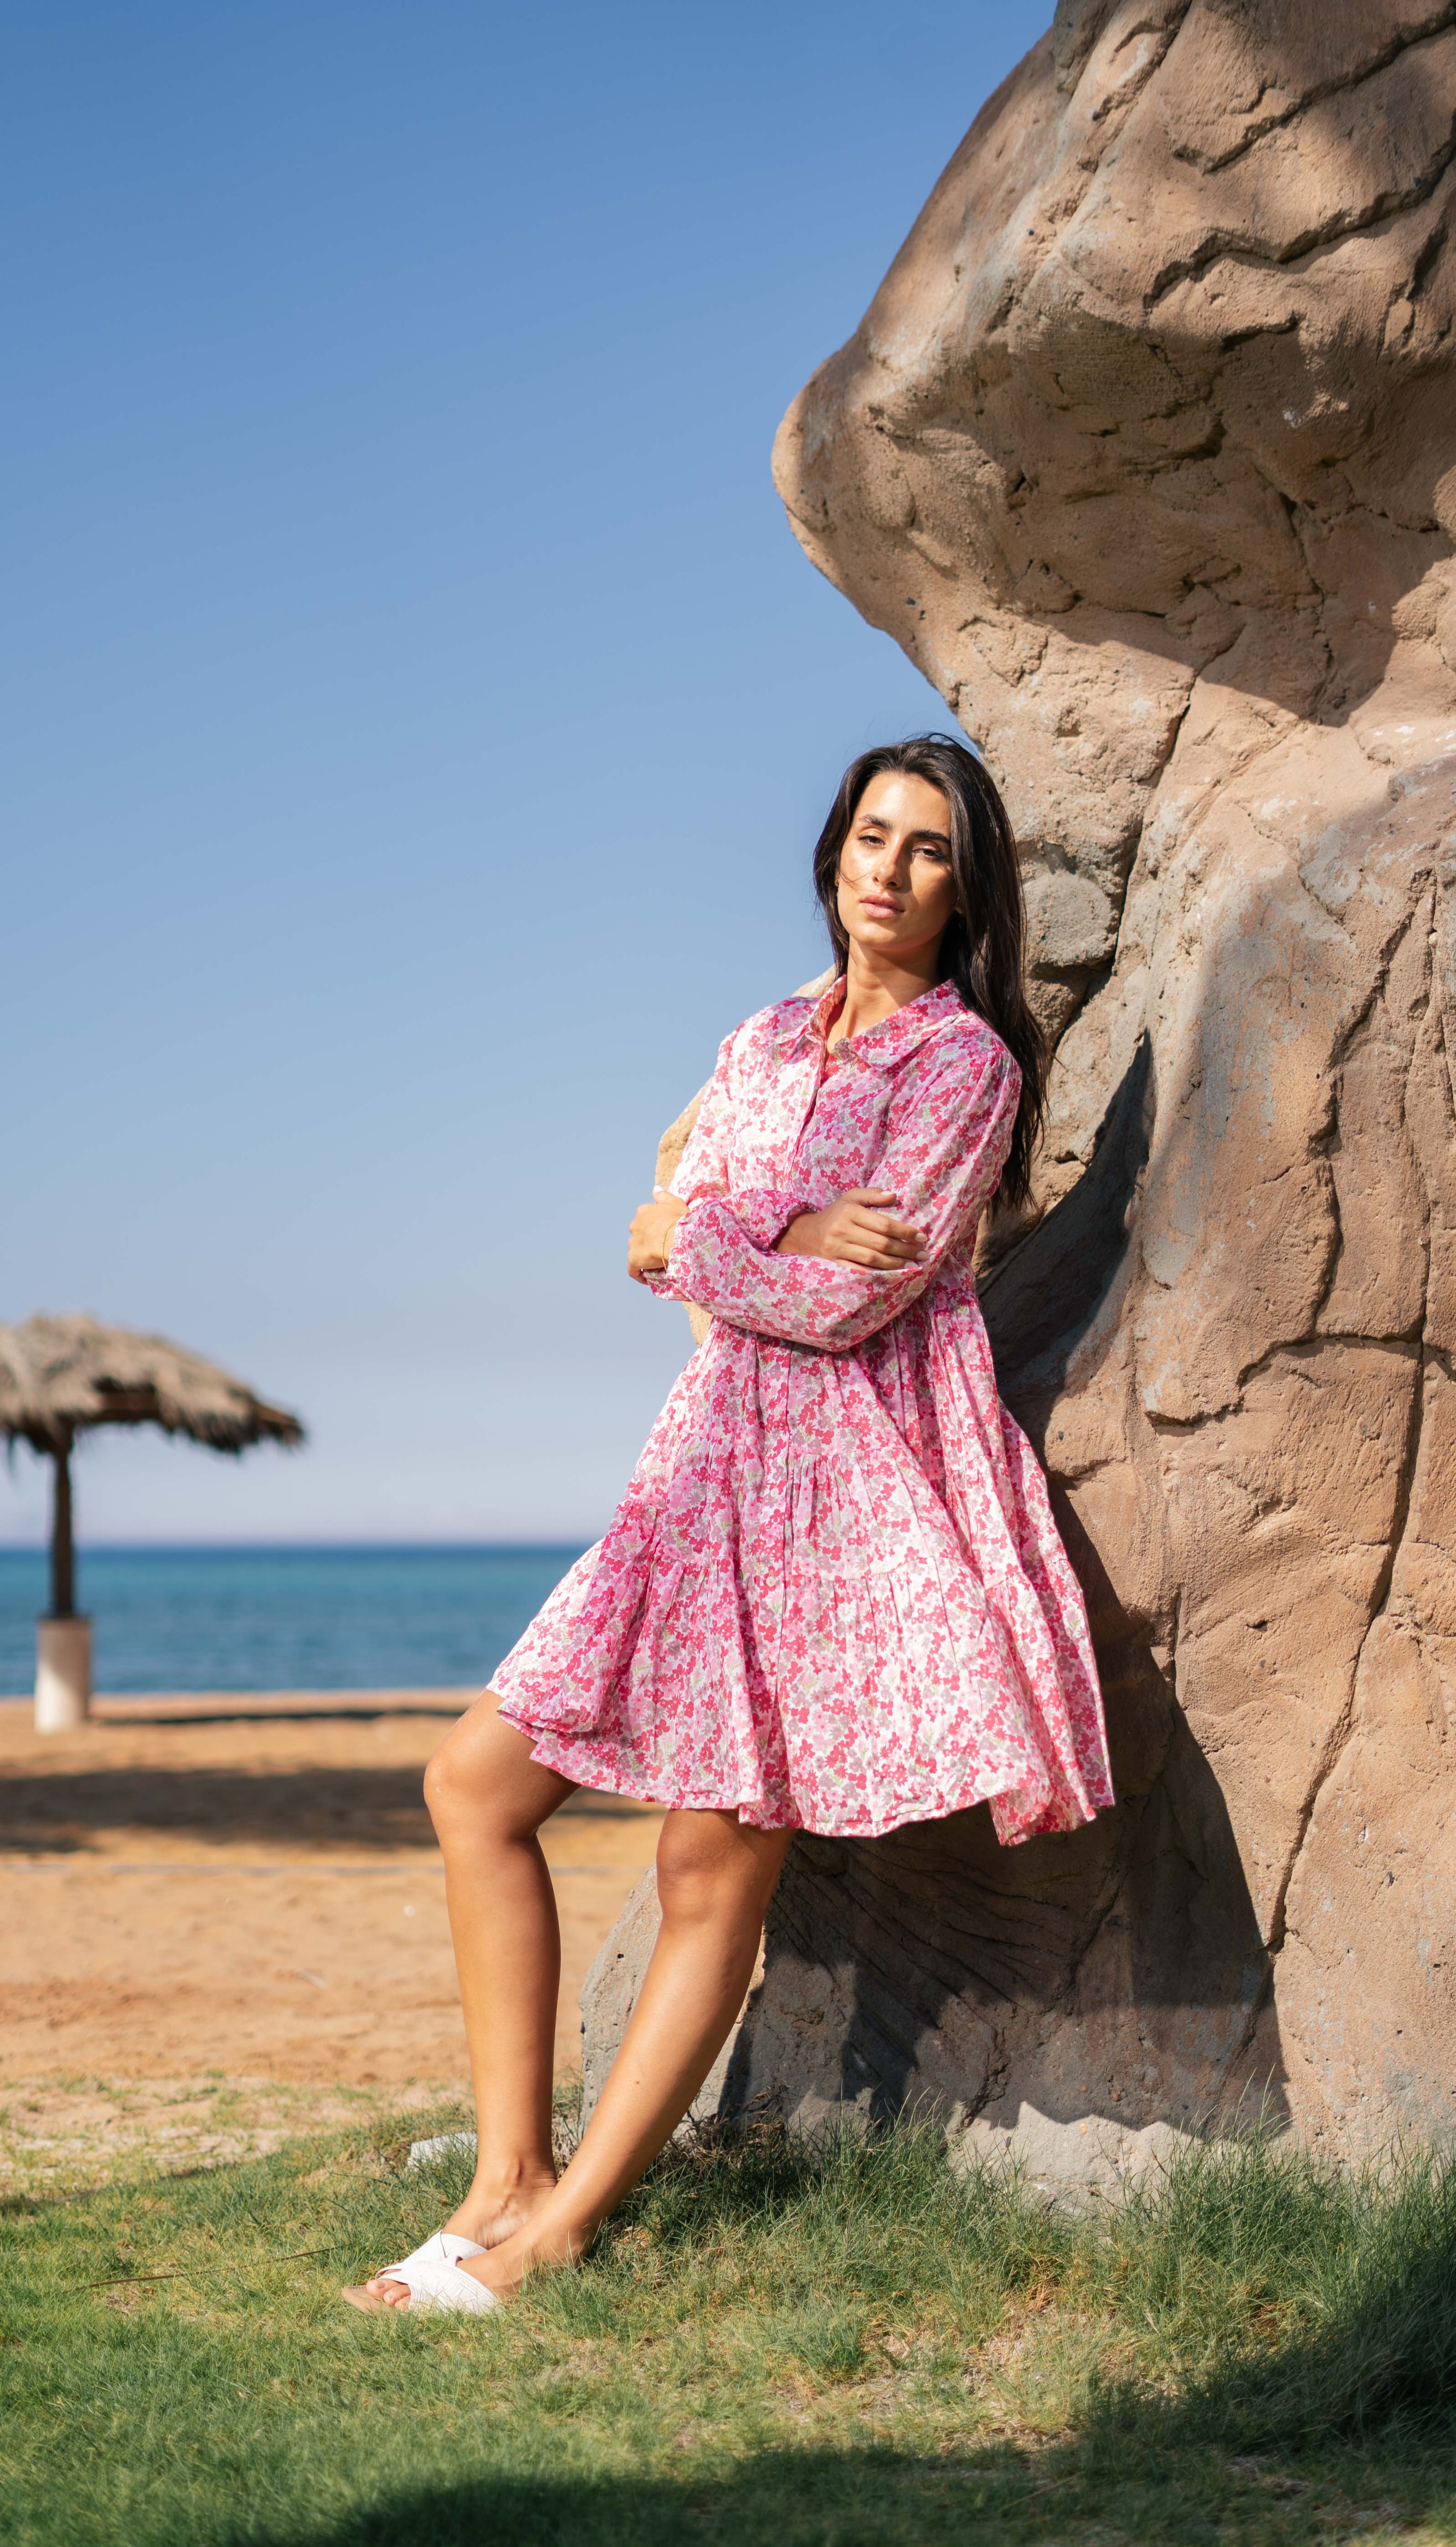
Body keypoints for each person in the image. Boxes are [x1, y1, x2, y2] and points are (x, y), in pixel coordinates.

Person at [345, 735, 1113, 2315]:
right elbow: (665, 1242)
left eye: (928, 850)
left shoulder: (966, 1068)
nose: (888, 871)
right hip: (699, 1473)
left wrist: (706, 1234)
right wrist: (760, 1224)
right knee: (474, 1784)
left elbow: (840, 1305)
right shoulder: (760, 1041)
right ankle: (507, 2178)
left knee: (711, 1862)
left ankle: (560, 2237)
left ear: (965, 890)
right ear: (833, 852)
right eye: (871, 836)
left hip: (842, 1495)